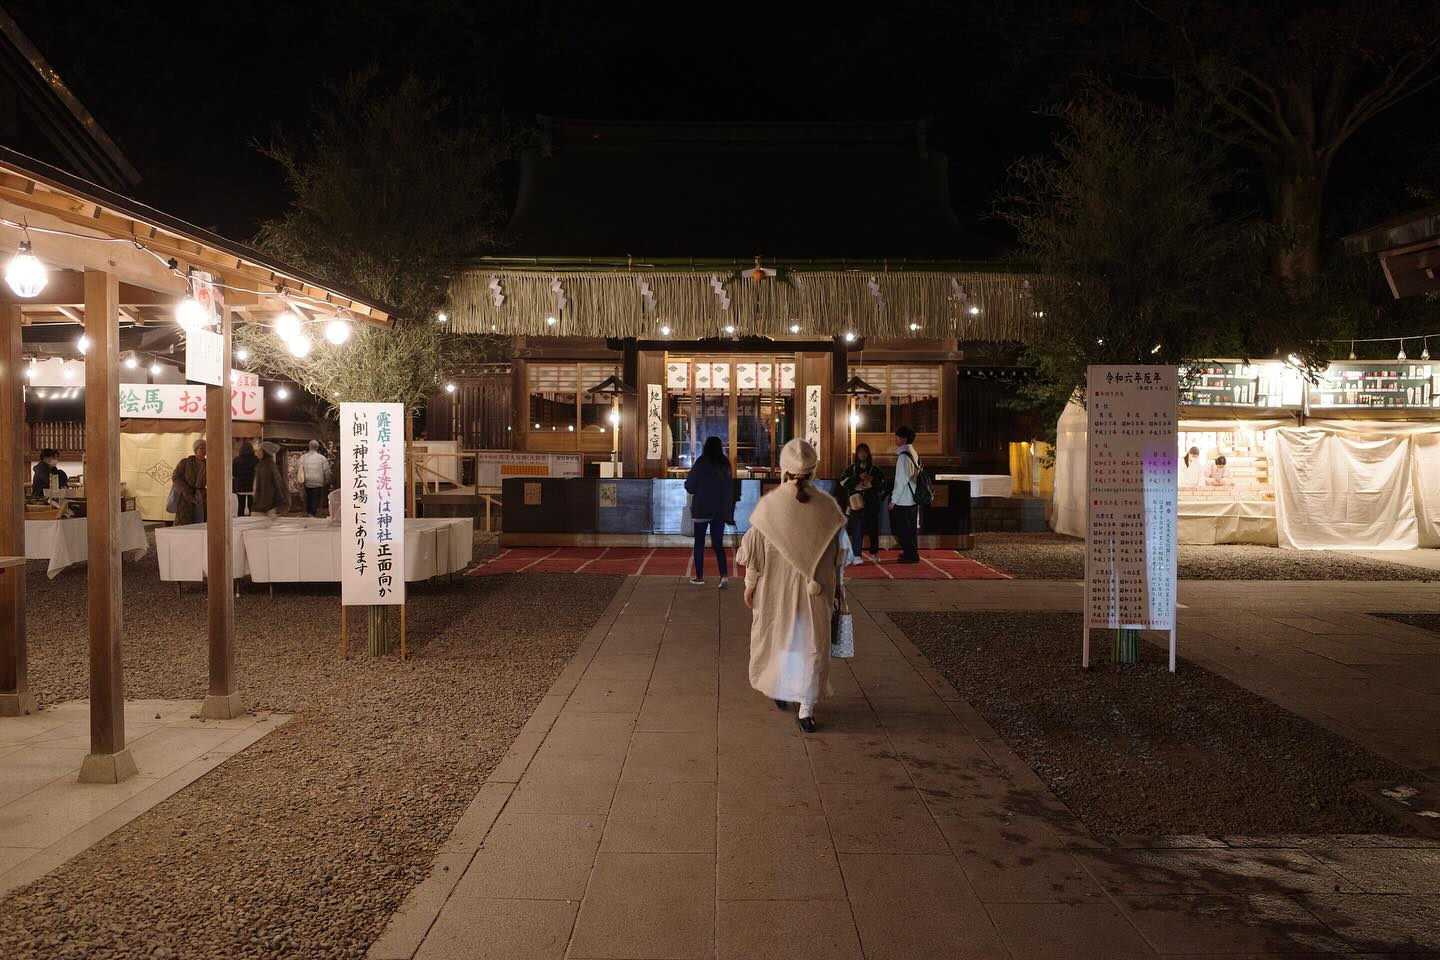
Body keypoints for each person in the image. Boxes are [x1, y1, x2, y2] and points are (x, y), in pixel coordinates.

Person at [737, 438, 846, 733]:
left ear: (783, 470)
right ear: (813, 471)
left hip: (776, 590)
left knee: (778, 637)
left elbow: (754, 553)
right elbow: (838, 556)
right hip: (816, 591)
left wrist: (749, 585)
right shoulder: (828, 507)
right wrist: (838, 590)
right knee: (811, 644)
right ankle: (806, 708)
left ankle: (779, 687)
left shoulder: (769, 506)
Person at [685, 436, 733, 588]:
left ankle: (699, 577)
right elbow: (729, 489)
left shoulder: (700, 462)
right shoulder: (725, 463)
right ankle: (724, 576)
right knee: (718, 544)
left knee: (699, 544)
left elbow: (690, 486)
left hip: (701, 510)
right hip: (719, 511)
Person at [839, 443, 885, 563]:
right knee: (857, 529)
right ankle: (857, 555)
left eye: (865, 451)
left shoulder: (875, 469)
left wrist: (872, 482)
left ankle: (874, 553)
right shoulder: (851, 468)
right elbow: (843, 483)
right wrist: (858, 477)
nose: (862, 454)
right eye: (860, 452)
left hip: (872, 503)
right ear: (857, 454)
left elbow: (882, 485)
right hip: (856, 503)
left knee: (873, 529)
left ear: (868, 454)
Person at [889, 425, 922, 564]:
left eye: (897, 436)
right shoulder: (912, 452)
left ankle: (910, 555)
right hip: (912, 498)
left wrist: (893, 500)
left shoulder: (903, 457)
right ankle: (911, 553)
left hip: (904, 500)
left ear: (903, 438)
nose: (895, 438)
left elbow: (901, 481)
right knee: (910, 529)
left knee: (903, 529)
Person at [171, 439, 207, 526]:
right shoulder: (185, 462)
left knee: (201, 522)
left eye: (205, 448)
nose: (204, 450)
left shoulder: (208, 464)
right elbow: (176, 477)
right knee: (184, 522)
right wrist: (185, 490)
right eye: (201, 448)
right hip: (185, 497)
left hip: (201, 497)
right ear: (195, 450)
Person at [252, 441, 290, 518]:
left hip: (264, 509)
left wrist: (262, 507)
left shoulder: (266, 467)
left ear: (265, 452)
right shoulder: (265, 465)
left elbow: (267, 489)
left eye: (260, 450)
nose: (257, 452)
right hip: (265, 508)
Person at [300, 439, 332, 516]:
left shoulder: (303, 457)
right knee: (315, 498)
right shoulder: (322, 458)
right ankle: (313, 513)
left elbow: (298, 468)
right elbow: (327, 471)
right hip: (318, 482)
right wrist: (327, 481)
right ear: (317, 448)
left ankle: (308, 512)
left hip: (306, 481)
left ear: (309, 447)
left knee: (308, 497)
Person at [233, 440, 258, 517]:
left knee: (241, 505)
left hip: (240, 486)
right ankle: (251, 522)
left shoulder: (237, 460)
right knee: (251, 506)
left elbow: (234, 473)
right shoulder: (256, 460)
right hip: (252, 486)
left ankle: (240, 522)